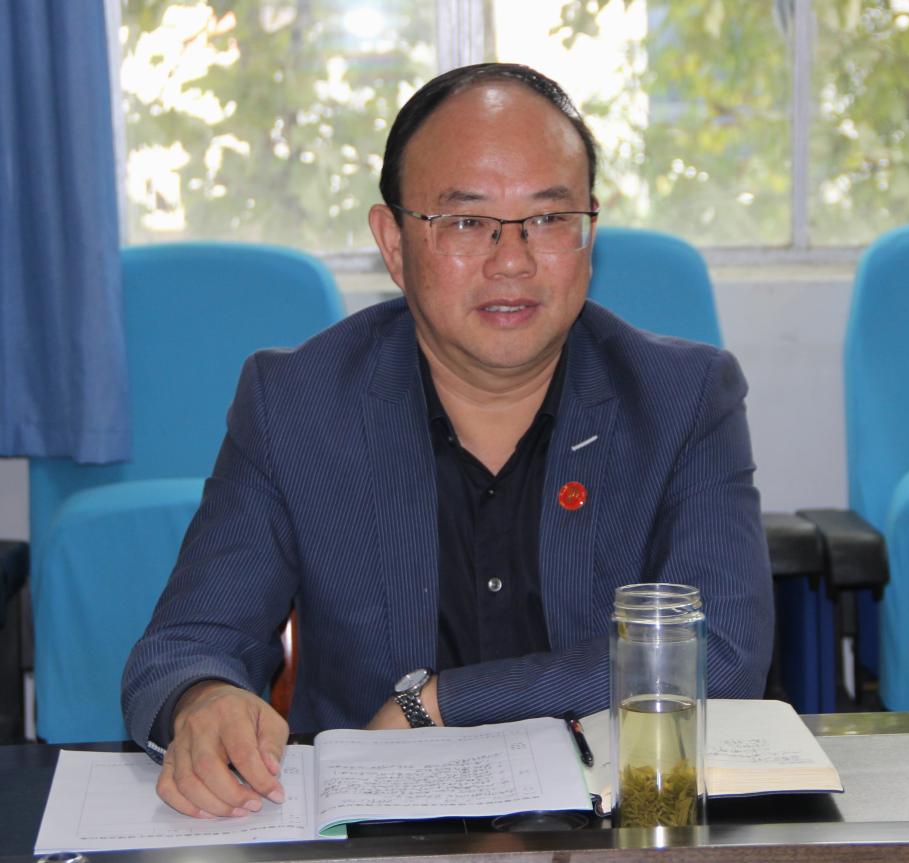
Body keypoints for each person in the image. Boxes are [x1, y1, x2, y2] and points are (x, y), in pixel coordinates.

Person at [122, 62, 773, 820]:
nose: (513, 260)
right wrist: (203, 700)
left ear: (589, 231)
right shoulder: (296, 403)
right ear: (394, 242)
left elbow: (720, 654)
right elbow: (185, 644)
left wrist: (439, 703)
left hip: (612, 826)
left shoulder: (682, 398)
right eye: (466, 222)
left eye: (549, 218)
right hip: (379, 831)